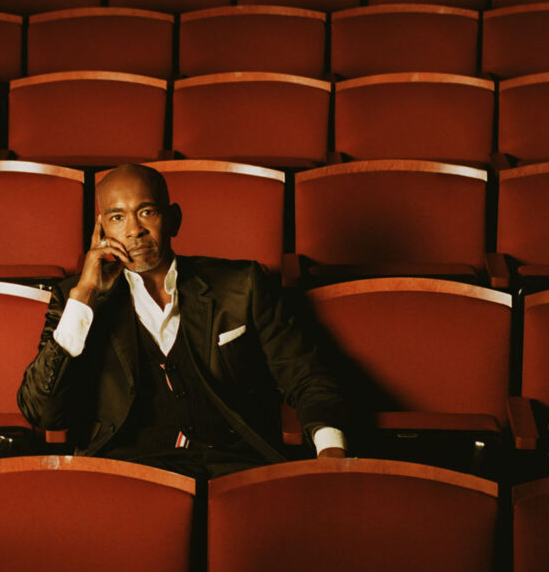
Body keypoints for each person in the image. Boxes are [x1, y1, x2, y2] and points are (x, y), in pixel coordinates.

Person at [18, 163, 347, 478]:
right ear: (102, 227)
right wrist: (86, 295)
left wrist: (330, 448)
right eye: (117, 217)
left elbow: (307, 376)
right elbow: (43, 413)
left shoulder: (242, 284)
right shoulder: (74, 298)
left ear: (173, 219)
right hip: (128, 471)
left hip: (236, 466)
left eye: (146, 211)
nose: (134, 230)